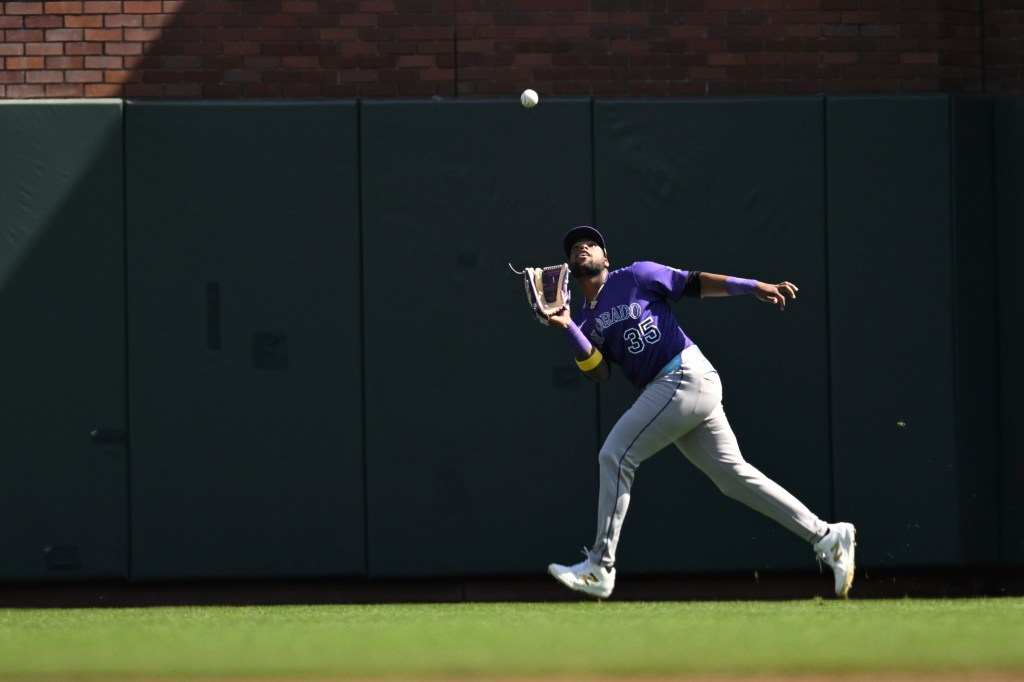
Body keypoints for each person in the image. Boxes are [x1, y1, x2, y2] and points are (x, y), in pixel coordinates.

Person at [542, 225, 856, 600]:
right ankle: (827, 535)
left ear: (605, 259)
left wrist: (751, 285)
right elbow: (599, 371)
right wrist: (566, 327)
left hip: (682, 373)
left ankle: (600, 566)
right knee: (732, 477)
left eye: (591, 243)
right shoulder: (586, 320)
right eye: (576, 246)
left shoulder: (636, 275)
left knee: (615, 455)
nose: (584, 247)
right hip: (675, 390)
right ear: (569, 265)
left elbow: (692, 282)